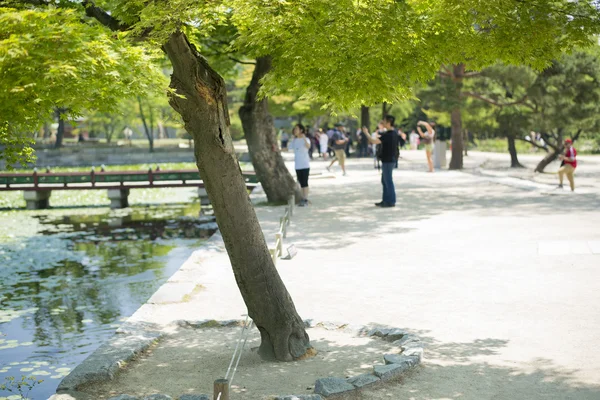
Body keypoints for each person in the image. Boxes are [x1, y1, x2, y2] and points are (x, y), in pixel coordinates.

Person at [362, 115, 399, 207]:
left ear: (389, 122)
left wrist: (366, 133)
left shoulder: (389, 135)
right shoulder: (393, 133)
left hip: (388, 160)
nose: (383, 123)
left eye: (385, 122)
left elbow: (373, 141)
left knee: (388, 181)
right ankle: (386, 200)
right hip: (390, 160)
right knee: (385, 180)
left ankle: (390, 201)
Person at [289, 123, 311, 205]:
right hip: (297, 165)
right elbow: (288, 148)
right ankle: (302, 198)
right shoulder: (294, 140)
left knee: (305, 182)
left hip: (305, 164)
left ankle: (305, 199)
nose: (295, 130)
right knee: (300, 182)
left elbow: (308, 146)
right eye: (294, 129)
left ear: (301, 130)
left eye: (296, 129)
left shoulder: (306, 139)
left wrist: (304, 138)